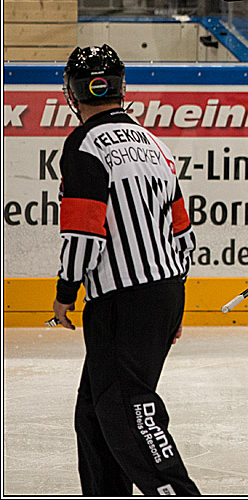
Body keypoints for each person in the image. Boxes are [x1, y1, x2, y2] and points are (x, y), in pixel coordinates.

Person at [53, 45, 201, 495]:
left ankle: (176, 490)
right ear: (122, 88)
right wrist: (174, 306)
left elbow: (84, 234)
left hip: (121, 300)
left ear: (73, 94)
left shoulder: (83, 145)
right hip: (163, 291)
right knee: (95, 412)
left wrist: (65, 293)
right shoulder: (155, 144)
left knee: (126, 410)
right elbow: (183, 233)